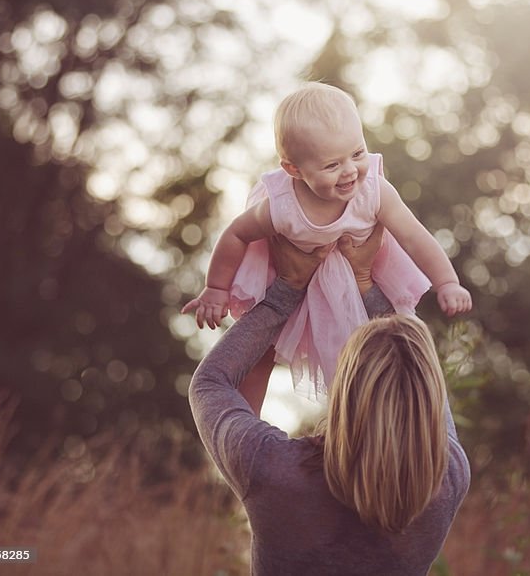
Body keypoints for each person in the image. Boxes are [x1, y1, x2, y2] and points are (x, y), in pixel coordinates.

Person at [188, 227, 471, 575]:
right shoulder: (447, 477)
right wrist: (365, 280)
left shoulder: (273, 470)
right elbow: (416, 370)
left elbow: (211, 383)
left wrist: (285, 291)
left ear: (345, 389)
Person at [182, 82, 471, 411]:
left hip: (359, 281)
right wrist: (216, 288)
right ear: (294, 170)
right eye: (332, 165)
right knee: (260, 354)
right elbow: (236, 234)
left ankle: (373, 425)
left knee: (385, 350)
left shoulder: (374, 191)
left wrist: (448, 282)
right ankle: (250, 422)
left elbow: (415, 237)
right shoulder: (282, 205)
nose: (350, 170)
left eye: (358, 154)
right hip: (294, 285)